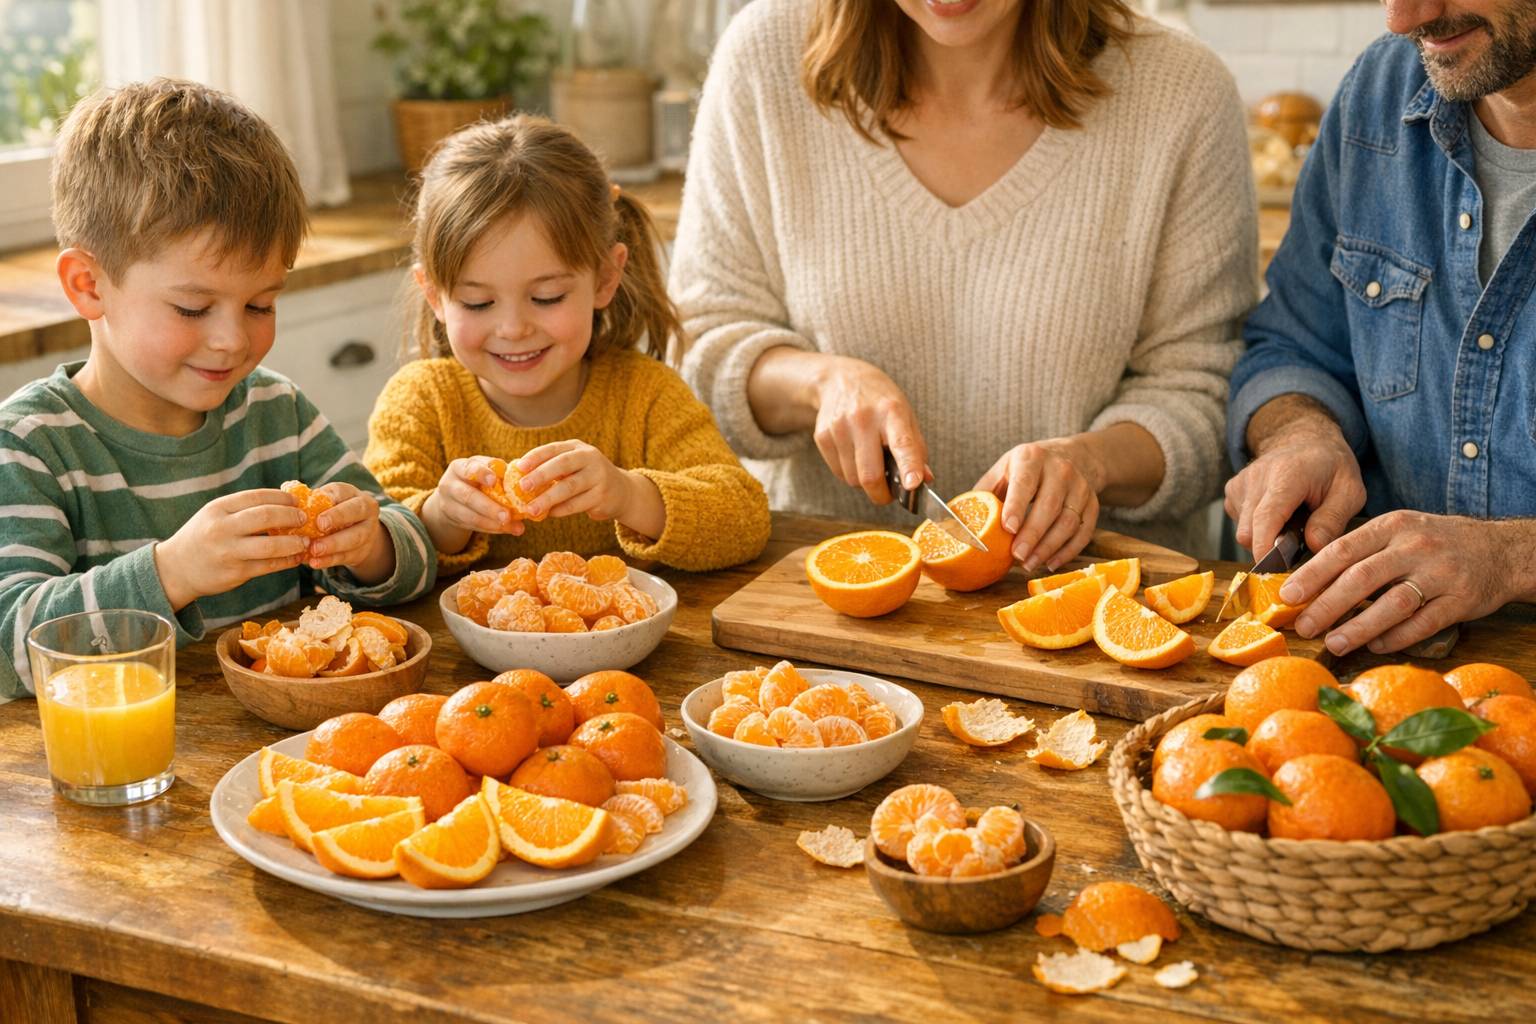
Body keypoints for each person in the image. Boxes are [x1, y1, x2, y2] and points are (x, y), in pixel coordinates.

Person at [671, 0, 1256, 565]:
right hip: (813, 592)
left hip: (1088, 601)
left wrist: (1093, 463)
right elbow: (702, 344)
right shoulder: (764, 58)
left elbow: (1206, 398)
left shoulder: (1182, 92)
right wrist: (819, 384)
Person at [0, 79, 436, 700]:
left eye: (260, 304)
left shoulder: (275, 411)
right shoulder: (30, 446)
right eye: (192, 308)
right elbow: (7, 647)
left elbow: (411, 548)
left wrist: (370, 544)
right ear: (89, 286)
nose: (233, 340)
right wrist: (171, 572)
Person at [1225, 0, 1536, 656]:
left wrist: (1509, 558)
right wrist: (1301, 434)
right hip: (1371, 687)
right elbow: (1294, 343)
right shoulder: (1382, 88)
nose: (1404, 18)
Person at [363, 115, 771, 574]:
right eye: (478, 303)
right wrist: (442, 516)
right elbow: (373, 548)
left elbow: (744, 517)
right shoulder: (421, 402)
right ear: (435, 296)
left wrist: (628, 494)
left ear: (605, 278)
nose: (513, 328)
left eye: (547, 297)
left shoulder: (645, 395)